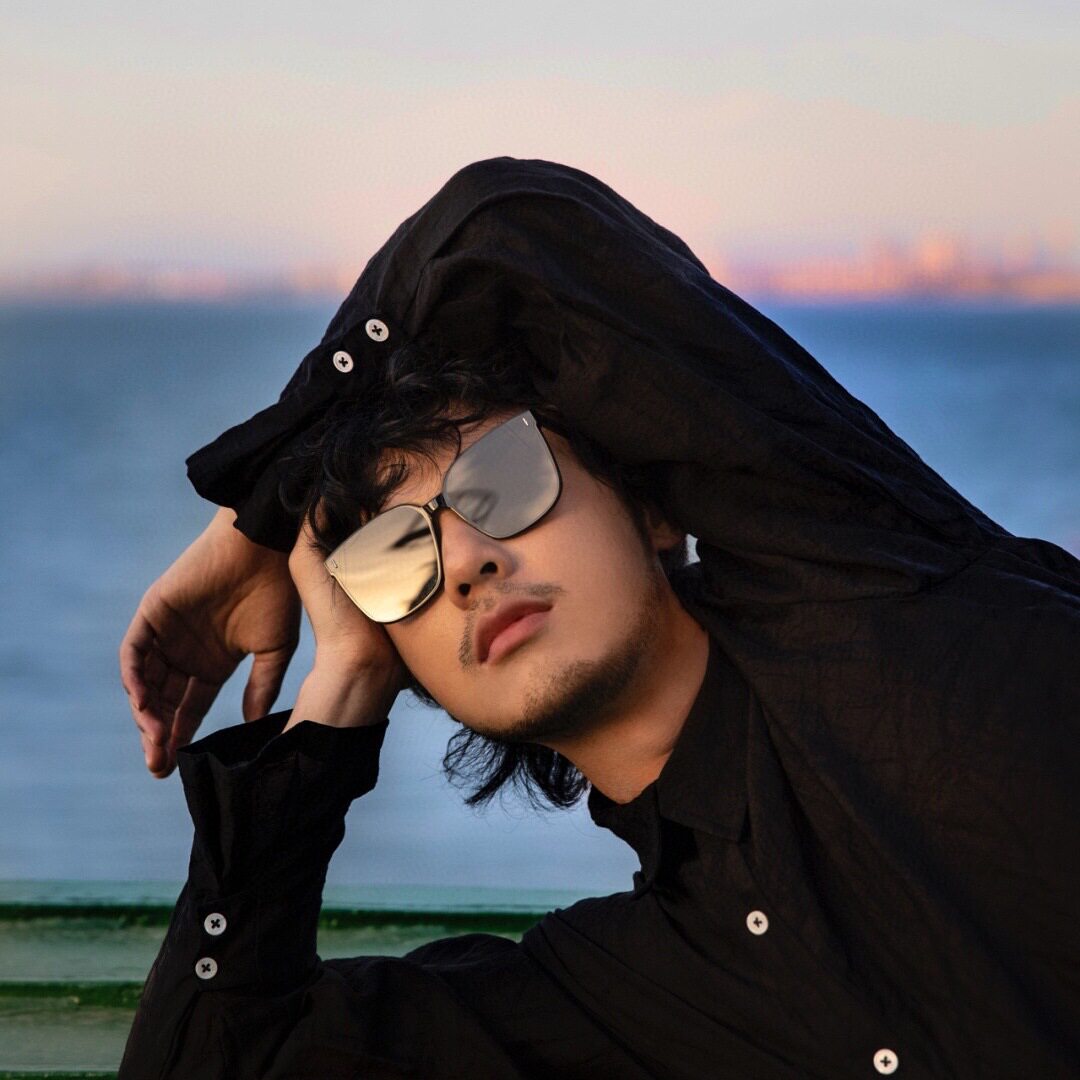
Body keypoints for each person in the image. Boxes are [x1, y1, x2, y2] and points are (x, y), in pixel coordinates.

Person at [118, 157, 1080, 1078]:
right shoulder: (619, 1002)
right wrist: (343, 684)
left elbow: (505, 225)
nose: (467, 565)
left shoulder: (874, 592)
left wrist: (260, 509)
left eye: (503, 480)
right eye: (396, 561)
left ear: (653, 508)